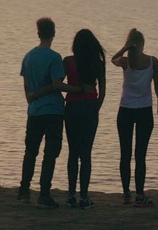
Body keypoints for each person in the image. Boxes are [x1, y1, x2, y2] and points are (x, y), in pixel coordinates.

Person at [19, 17, 73, 209]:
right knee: (50, 153)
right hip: (53, 111)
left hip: (34, 111)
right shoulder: (54, 58)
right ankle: (44, 194)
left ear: (38, 33)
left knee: (30, 151)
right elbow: (57, 85)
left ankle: (24, 190)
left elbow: (26, 85)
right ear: (54, 33)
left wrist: (31, 98)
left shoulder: (28, 56)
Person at [111, 28, 158, 206]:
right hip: (144, 111)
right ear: (143, 43)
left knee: (125, 153)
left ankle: (126, 194)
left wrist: (124, 48)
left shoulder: (126, 61)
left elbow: (113, 59)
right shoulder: (152, 61)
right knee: (140, 155)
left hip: (125, 110)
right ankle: (139, 195)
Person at [62, 29, 106, 210]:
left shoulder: (68, 62)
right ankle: (84, 196)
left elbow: (60, 83)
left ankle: (71, 194)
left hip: (71, 107)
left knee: (73, 151)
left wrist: (74, 90)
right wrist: (96, 106)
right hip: (90, 106)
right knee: (86, 153)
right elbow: (102, 91)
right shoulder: (97, 63)